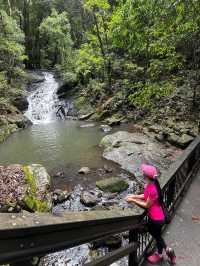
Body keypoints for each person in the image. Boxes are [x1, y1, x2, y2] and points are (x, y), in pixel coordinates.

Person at [126, 164, 176, 264]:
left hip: (156, 219)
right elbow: (145, 195)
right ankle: (164, 252)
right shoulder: (152, 184)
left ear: (147, 177)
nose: (142, 175)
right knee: (158, 236)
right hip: (158, 217)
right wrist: (134, 196)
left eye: (144, 174)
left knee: (157, 237)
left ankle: (165, 252)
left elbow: (147, 205)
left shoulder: (153, 189)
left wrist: (133, 200)